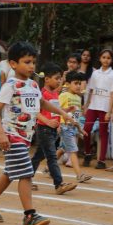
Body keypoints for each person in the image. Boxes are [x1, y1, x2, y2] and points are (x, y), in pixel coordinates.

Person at [0, 42, 75, 225]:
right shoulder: (10, 85)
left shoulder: (33, 84)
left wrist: (63, 113)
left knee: (9, 173)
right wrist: (1, 133)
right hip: (12, 136)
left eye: (33, 62)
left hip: (25, 137)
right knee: (26, 173)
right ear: (13, 64)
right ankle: (29, 215)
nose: (31, 66)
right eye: (27, 62)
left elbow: (42, 103)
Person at [31, 63, 77, 195]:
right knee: (51, 156)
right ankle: (59, 184)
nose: (59, 81)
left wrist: (66, 111)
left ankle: (26, 178)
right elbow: (35, 111)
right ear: (46, 79)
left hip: (52, 130)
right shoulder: (42, 94)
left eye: (60, 78)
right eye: (56, 78)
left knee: (38, 156)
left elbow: (55, 111)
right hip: (44, 129)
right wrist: (47, 121)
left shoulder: (55, 94)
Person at [82, 49, 113, 169]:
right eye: (104, 57)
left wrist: (110, 111)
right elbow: (91, 90)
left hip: (104, 107)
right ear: (100, 58)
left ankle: (101, 160)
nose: (106, 60)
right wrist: (86, 105)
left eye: (108, 58)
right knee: (86, 129)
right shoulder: (95, 73)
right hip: (93, 106)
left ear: (111, 60)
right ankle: (87, 153)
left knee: (103, 133)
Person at [58, 71, 93, 183]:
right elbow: (56, 110)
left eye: (79, 83)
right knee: (73, 150)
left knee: (63, 149)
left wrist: (80, 129)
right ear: (68, 84)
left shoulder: (78, 98)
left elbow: (76, 117)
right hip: (65, 126)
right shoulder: (63, 95)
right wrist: (58, 125)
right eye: (75, 83)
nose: (78, 86)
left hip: (73, 127)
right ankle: (79, 175)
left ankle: (48, 168)